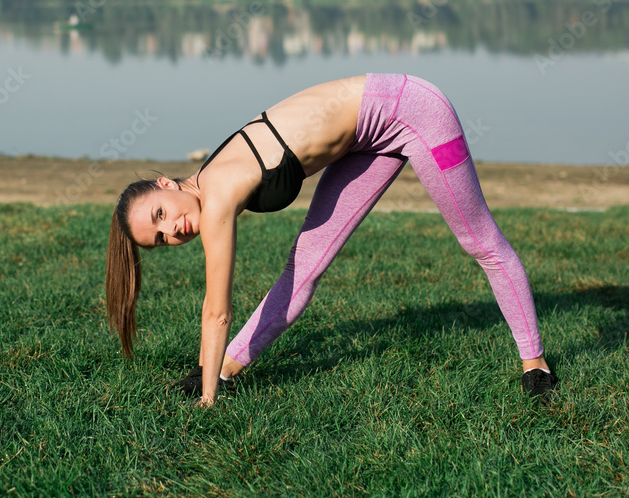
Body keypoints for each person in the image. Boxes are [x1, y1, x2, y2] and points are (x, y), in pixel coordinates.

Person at [105, 73, 559, 407]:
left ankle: (534, 363)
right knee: (302, 267)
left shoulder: (218, 192)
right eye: (161, 239)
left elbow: (215, 309)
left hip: (414, 110)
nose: (174, 231)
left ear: (165, 184)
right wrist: (212, 373)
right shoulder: (205, 178)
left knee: (479, 241)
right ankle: (226, 371)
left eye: (161, 215)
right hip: (365, 139)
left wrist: (205, 403)